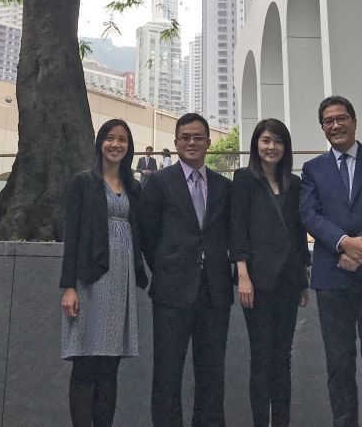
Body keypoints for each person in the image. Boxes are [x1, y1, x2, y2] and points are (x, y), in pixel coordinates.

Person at [300, 95, 362, 427]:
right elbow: (309, 215)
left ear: (354, 121)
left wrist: (361, 247)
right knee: (339, 365)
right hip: (333, 277)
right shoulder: (313, 169)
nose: (335, 125)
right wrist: (343, 243)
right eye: (328, 121)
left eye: (341, 118)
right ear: (322, 128)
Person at [140, 113, 233, 427]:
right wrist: (168, 269)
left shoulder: (224, 186)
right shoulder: (158, 182)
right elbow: (148, 235)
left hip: (214, 292)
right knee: (167, 373)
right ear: (176, 143)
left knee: (212, 374)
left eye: (198, 137)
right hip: (171, 292)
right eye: (185, 137)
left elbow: (228, 235)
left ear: (208, 142)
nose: (192, 143)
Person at [60, 118, 149, 427]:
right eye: (110, 138)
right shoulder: (83, 182)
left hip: (120, 283)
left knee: (109, 367)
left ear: (129, 146)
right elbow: (72, 237)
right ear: (100, 143)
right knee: (85, 363)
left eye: (122, 139)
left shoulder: (134, 187)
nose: (116, 144)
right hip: (89, 281)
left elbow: (143, 233)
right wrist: (68, 286)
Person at [230, 118, 311, 427]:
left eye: (278, 141)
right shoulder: (243, 179)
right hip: (258, 281)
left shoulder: (295, 184)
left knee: (283, 359)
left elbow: (298, 232)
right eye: (266, 140)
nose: (271, 147)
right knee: (261, 357)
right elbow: (237, 228)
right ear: (256, 145)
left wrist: (303, 280)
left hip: (289, 281)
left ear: (285, 147)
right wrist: (243, 275)